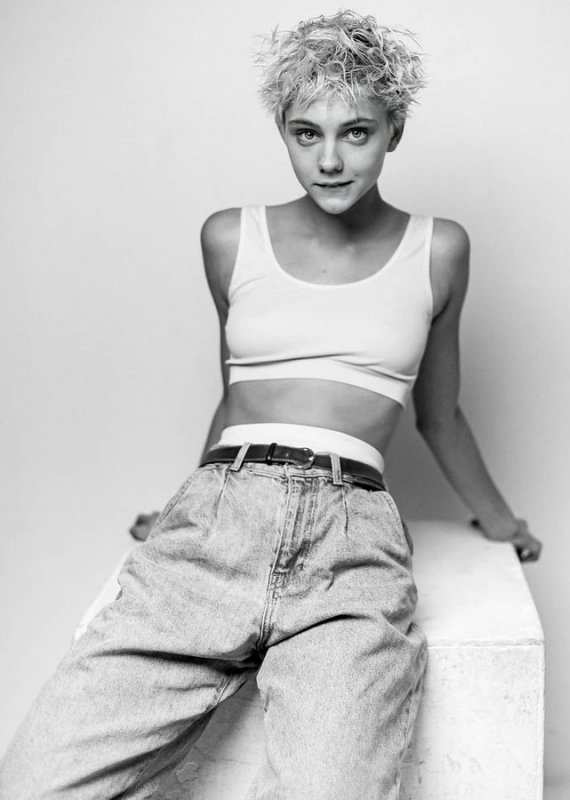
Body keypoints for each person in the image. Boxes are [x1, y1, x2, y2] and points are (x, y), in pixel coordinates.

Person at [0, 10, 542, 799]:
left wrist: (502, 521)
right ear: (283, 132)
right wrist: (183, 502)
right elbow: (238, 396)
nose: (329, 159)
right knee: (35, 783)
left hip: (351, 540)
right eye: (305, 133)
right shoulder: (230, 237)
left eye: (356, 133)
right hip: (218, 518)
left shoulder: (440, 249)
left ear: (395, 131)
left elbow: (439, 413)